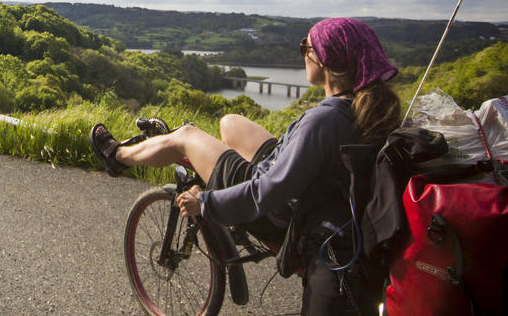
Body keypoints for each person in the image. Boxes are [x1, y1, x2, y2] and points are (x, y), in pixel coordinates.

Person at [90, 17, 402, 315]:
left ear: (326, 61)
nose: (303, 54)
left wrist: (206, 203)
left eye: (307, 48)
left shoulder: (324, 121)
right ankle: (222, 181)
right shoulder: (369, 109)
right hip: (313, 189)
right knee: (230, 123)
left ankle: (117, 157)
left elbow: (268, 192)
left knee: (185, 136)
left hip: (278, 209)